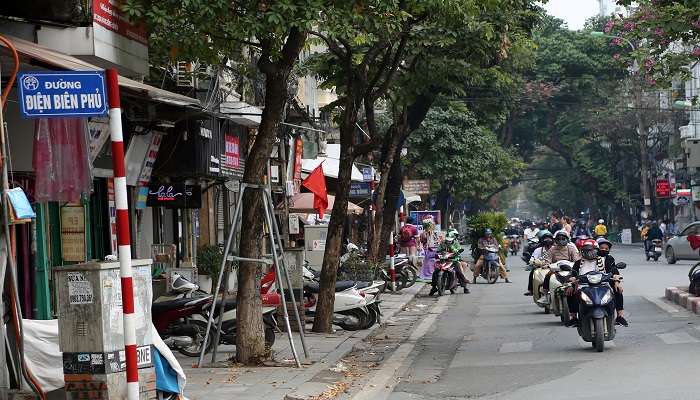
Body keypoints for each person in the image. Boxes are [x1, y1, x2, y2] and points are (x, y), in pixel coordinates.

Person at [565, 238, 627, 327]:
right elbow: (573, 274)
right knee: (570, 292)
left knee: (617, 289)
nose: (589, 253)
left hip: (603, 284)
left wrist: (616, 282)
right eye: (586, 250)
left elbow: (614, 272)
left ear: (596, 250)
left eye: (591, 250)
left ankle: (620, 316)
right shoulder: (578, 263)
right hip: (583, 286)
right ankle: (573, 317)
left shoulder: (605, 260)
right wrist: (571, 283)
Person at [537, 230, 580, 305]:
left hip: (569, 268)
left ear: (567, 239)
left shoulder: (571, 248)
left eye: (563, 239)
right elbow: (548, 259)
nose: (561, 241)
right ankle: (545, 295)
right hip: (556, 268)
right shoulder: (552, 249)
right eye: (559, 239)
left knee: (577, 277)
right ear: (555, 240)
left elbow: (576, 259)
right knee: (548, 275)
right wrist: (546, 264)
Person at [432, 229, 470, 294]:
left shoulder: (456, 243)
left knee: (459, 271)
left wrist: (452, 247)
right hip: (443, 260)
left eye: (450, 240)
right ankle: (433, 287)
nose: (448, 242)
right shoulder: (443, 242)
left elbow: (458, 250)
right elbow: (438, 250)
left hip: (454, 260)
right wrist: (439, 252)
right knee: (435, 272)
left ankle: (465, 286)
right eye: (447, 240)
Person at [524, 230, 554, 296]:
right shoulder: (538, 250)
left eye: (549, 238)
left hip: (553, 267)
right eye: (546, 239)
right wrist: (535, 262)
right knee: (532, 272)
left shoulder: (555, 249)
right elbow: (532, 259)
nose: (548, 240)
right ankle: (531, 290)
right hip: (541, 268)